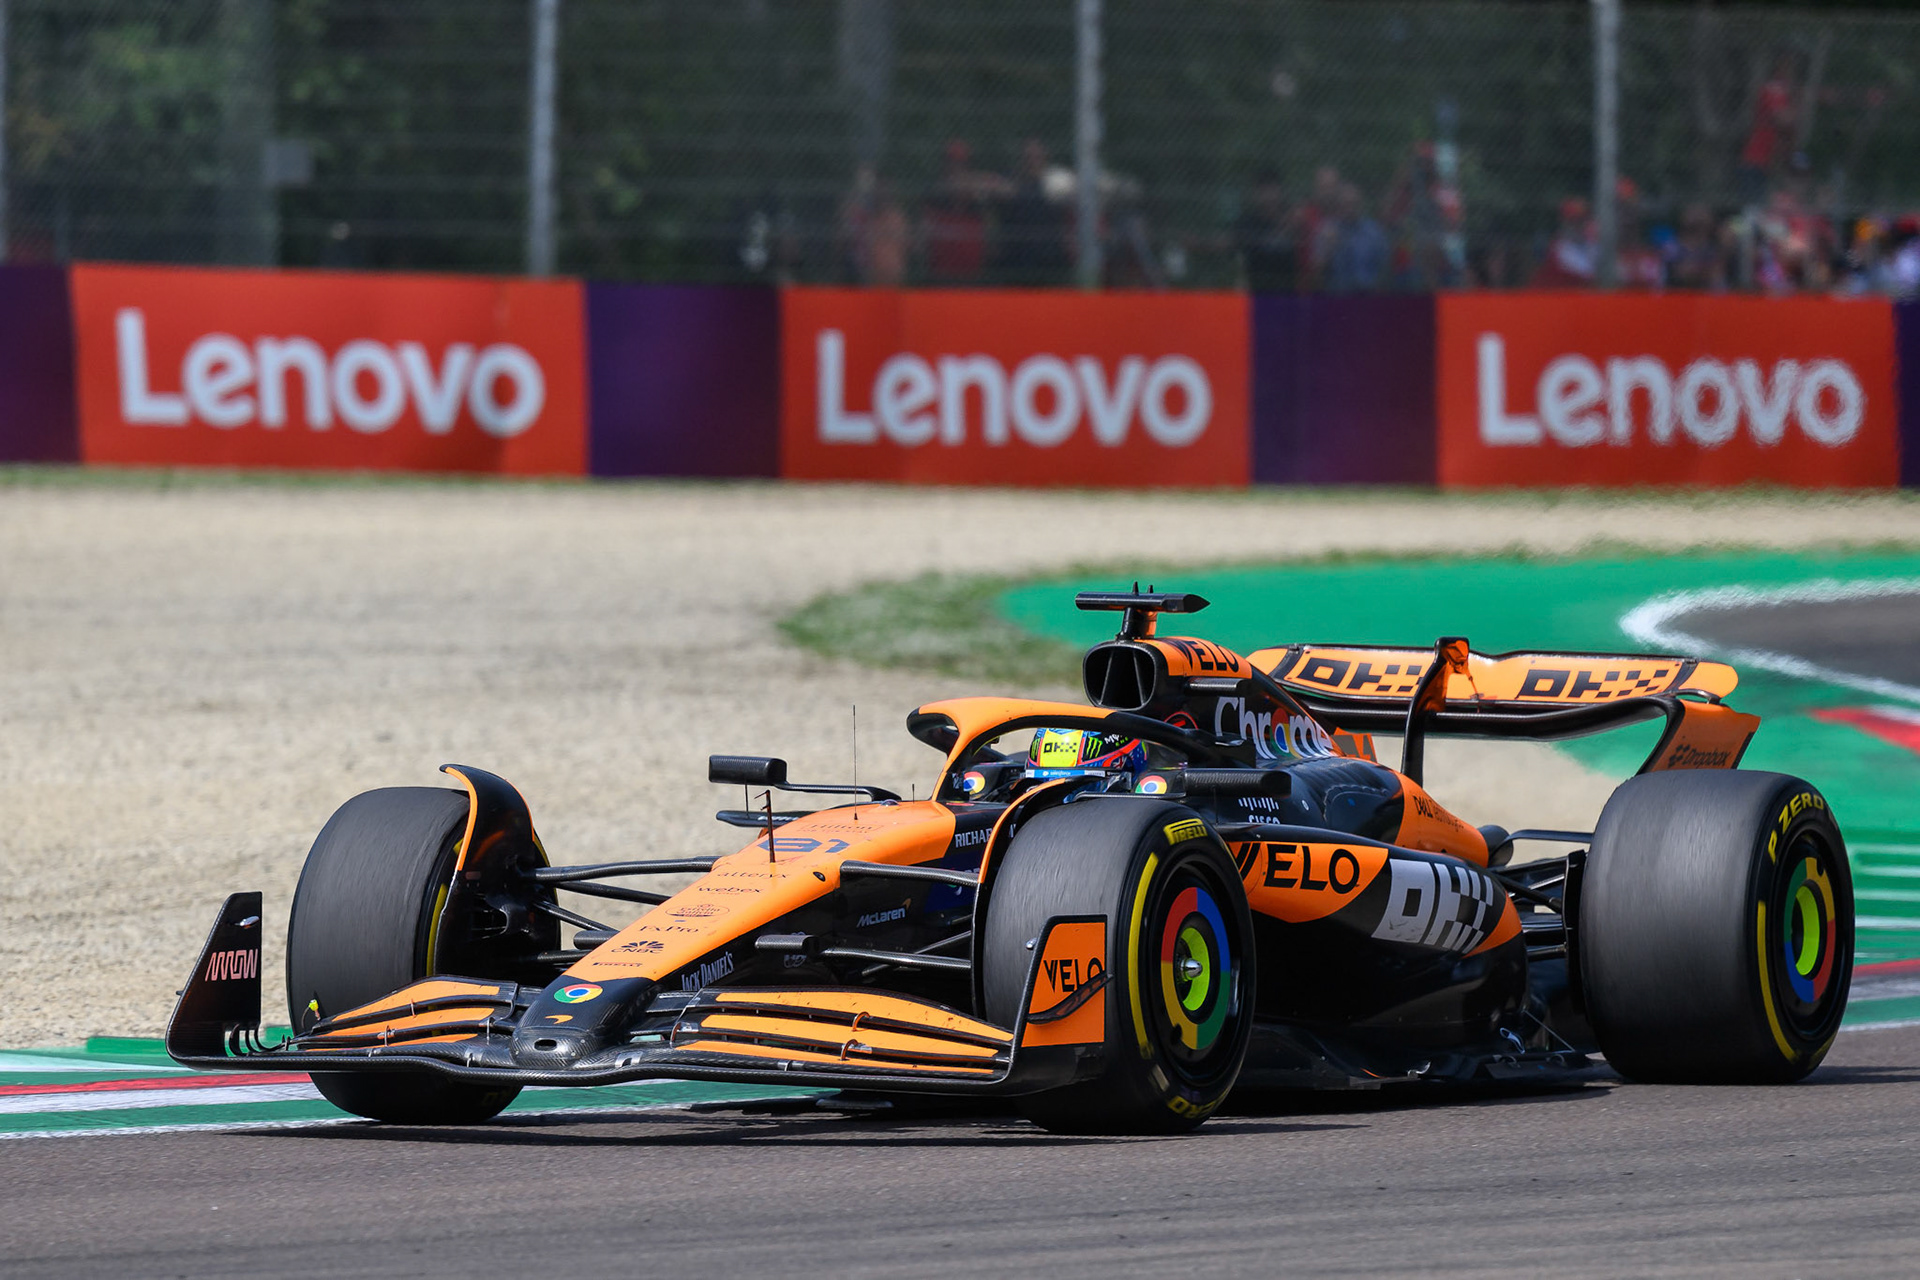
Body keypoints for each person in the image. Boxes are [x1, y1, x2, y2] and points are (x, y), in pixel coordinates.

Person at [920, 139, 1005, 285]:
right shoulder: (936, 195)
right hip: (942, 275)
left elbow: (1003, 188)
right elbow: (924, 230)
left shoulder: (977, 198)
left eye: (960, 163)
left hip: (972, 275)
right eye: (952, 162)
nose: (956, 167)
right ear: (945, 164)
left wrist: (973, 183)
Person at [994, 138, 1072, 286]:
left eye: (1037, 156)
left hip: (1050, 256)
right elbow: (996, 187)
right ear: (1022, 158)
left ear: (1044, 157)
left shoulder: (1056, 182)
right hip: (1017, 256)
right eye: (1028, 156)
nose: (1032, 160)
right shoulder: (1012, 181)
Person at [1738, 55, 1797, 209]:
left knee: (1769, 204)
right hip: (1755, 160)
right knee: (1753, 206)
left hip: (1771, 161)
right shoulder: (1772, 89)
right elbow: (1783, 118)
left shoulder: (1784, 92)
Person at [1232, 171, 1299, 292]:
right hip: (1257, 290)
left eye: (1272, 190)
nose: (1269, 196)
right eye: (1264, 191)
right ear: (1256, 194)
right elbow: (1236, 243)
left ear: (1280, 191)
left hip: (1288, 291)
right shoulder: (1248, 221)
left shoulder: (1292, 217)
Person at [1531, 197, 1596, 287]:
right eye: (1573, 220)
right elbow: (1587, 272)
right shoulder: (1561, 247)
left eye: (1583, 219)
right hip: (1555, 292)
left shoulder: (1592, 242)